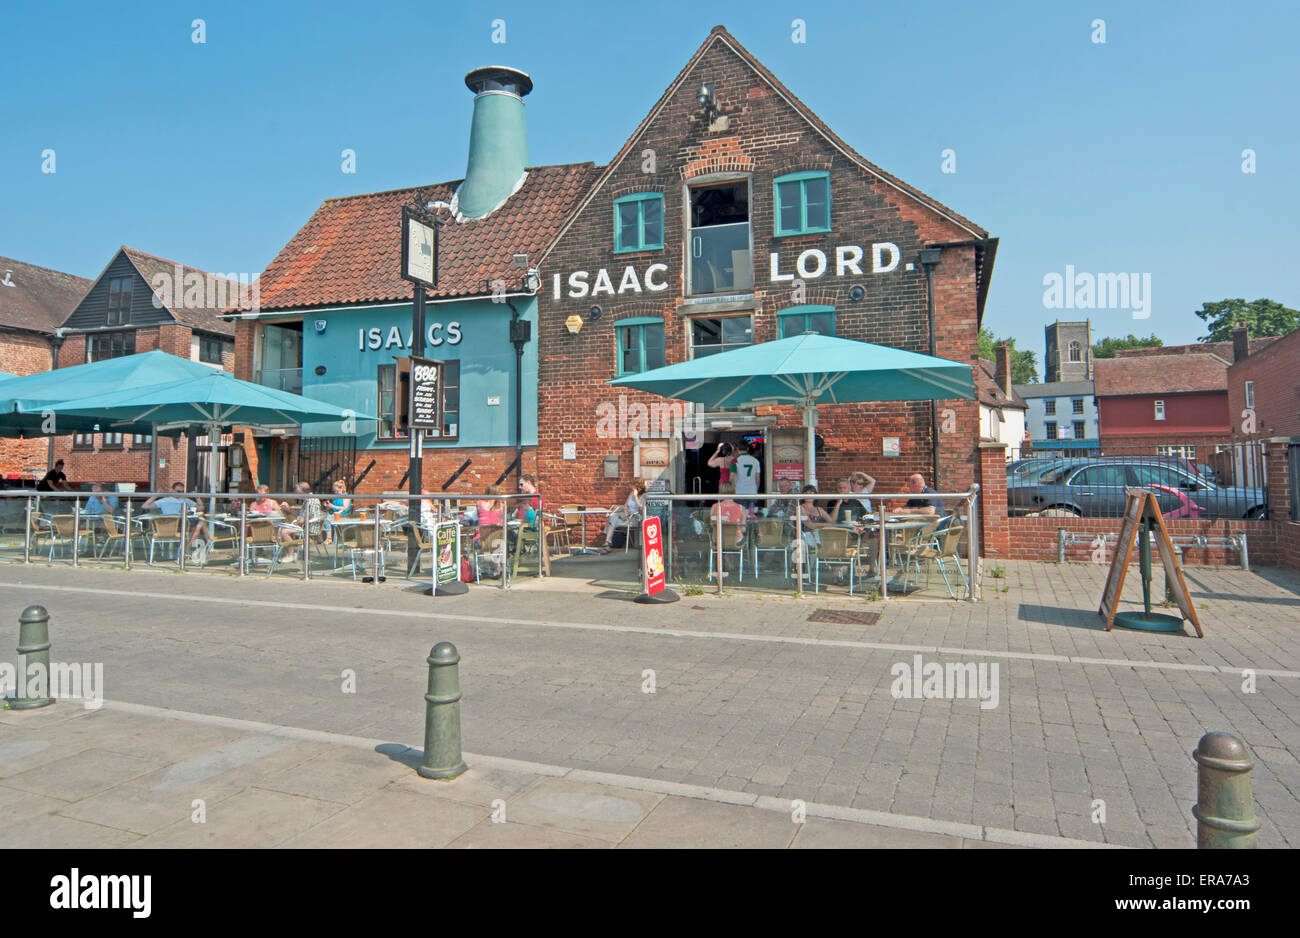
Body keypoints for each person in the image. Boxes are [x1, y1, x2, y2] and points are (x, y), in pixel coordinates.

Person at [143, 482, 209, 550]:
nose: (180, 493)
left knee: (200, 523)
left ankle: (188, 548)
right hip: (168, 525)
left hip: (182, 524)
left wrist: (197, 498)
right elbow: (145, 506)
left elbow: (201, 508)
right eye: (178, 491)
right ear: (172, 490)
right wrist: (156, 495)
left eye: (182, 492)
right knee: (200, 523)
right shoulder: (164, 500)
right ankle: (189, 548)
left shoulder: (185, 500)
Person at [600, 477, 646, 553]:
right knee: (613, 517)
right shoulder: (631, 493)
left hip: (636, 518)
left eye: (632, 485)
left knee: (612, 521)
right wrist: (628, 510)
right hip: (627, 516)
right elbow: (625, 505)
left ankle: (607, 544)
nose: (630, 486)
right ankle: (608, 541)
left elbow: (640, 508)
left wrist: (635, 497)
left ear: (636, 486)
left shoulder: (644, 495)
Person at [322, 479, 352, 546]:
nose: (336, 492)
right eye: (334, 491)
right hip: (334, 514)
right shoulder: (336, 497)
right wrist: (328, 506)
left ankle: (329, 538)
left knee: (327, 519)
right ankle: (328, 537)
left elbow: (345, 508)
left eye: (337, 491)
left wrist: (332, 506)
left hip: (342, 514)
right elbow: (333, 507)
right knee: (324, 517)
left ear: (341, 488)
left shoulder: (345, 496)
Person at [731, 445, 761, 509]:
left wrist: (732, 490)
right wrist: (755, 490)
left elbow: (731, 478)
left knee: (741, 514)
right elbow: (757, 478)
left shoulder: (734, 461)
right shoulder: (755, 461)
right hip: (752, 493)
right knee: (751, 514)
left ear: (737, 449)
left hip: (739, 492)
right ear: (747, 448)